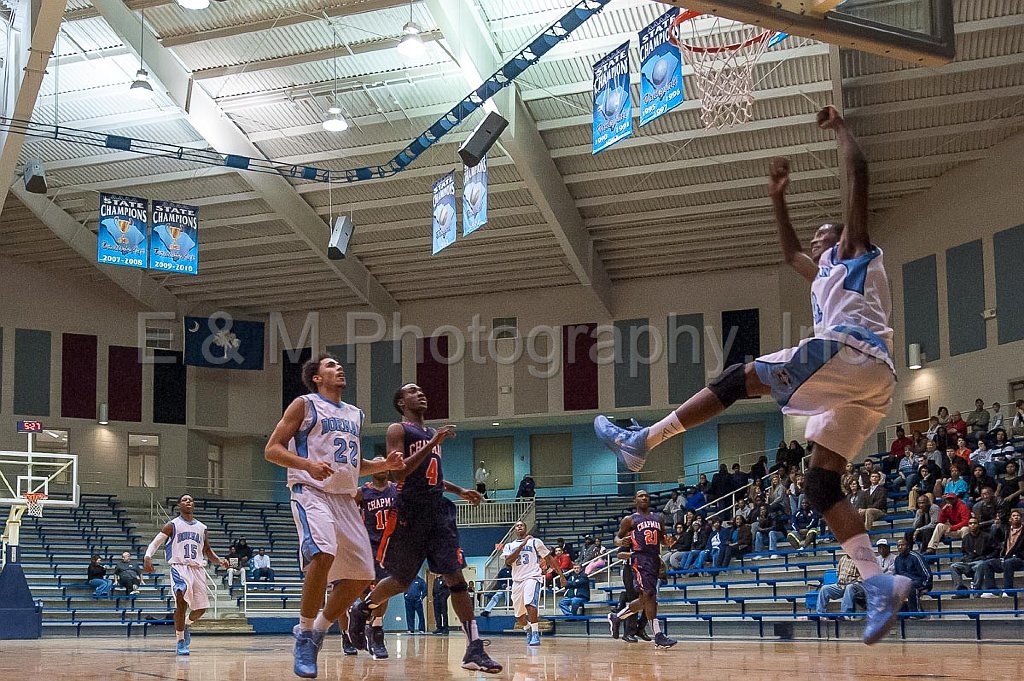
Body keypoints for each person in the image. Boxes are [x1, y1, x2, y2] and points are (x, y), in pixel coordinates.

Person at [595, 107, 910, 644]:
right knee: (819, 484)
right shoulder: (822, 273)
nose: (816, 241)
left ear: (843, 237)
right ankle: (880, 582)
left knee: (742, 377)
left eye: (824, 234)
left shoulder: (855, 252)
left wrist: (840, 132)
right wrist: (777, 195)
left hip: (855, 354)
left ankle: (644, 439)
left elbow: (858, 177)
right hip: (865, 384)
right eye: (816, 238)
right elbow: (790, 252)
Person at [264, 353, 405, 676]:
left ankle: (318, 630)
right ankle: (303, 632)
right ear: (316, 377)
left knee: (362, 575)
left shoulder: (355, 414)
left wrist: (383, 465)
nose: (338, 368)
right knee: (323, 553)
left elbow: (353, 466)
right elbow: (272, 449)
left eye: (339, 365)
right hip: (310, 491)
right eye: (330, 365)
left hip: (344, 497)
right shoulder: (304, 404)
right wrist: (307, 464)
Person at [347, 382, 499, 673]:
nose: (421, 393)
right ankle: (363, 607)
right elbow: (398, 471)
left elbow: (432, 477)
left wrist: (459, 490)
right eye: (413, 391)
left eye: (421, 390)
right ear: (402, 402)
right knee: (402, 581)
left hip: (437, 510)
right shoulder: (398, 430)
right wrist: (432, 443)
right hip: (410, 510)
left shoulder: (432, 434)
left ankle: (474, 648)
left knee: (456, 577)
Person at [143, 493, 229, 656]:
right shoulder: (172, 525)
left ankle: (186, 624)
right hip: (179, 567)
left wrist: (219, 561)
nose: (188, 501)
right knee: (181, 598)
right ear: (179, 505)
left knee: (201, 609)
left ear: (193, 505)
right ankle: (180, 641)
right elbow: (155, 543)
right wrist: (147, 557)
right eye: (184, 500)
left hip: (197, 569)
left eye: (191, 499)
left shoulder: (202, 528)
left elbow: (208, 551)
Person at [607, 490, 677, 648]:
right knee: (649, 595)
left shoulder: (658, 518)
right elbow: (617, 538)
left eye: (646, 495)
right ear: (635, 500)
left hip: (654, 558)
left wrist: (668, 542)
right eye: (640, 495)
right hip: (639, 559)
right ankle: (658, 635)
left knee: (649, 599)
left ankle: (617, 617)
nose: (644, 497)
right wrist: (620, 542)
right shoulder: (630, 520)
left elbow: (663, 540)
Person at [502, 521, 564, 646]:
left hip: (532, 576)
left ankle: (535, 633)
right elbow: (509, 561)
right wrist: (523, 544)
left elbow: (549, 558)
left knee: (530, 604)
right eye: (517, 526)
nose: (519, 527)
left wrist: (561, 575)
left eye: (522, 525)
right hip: (517, 580)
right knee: (519, 616)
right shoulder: (509, 545)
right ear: (514, 530)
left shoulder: (535, 542)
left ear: (526, 528)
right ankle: (527, 628)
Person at [975, 509, 1024, 596]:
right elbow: (996, 542)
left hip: (1020, 559)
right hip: (1006, 558)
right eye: (1014, 516)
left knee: (1009, 563)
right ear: (1010, 519)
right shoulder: (1007, 531)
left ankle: (1008, 591)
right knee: (987, 564)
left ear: (1021, 518)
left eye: (1018, 516)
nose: (1016, 517)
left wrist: (1015, 555)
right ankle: (992, 590)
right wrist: (997, 528)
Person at [949, 516, 998, 596]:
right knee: (953, 566)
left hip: (981, 561)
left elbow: (996, 549)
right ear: (968, 525)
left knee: (981, 565)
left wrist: (987, 558)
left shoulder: (987, 536)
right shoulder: (965, 538)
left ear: (978, 525)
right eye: (970, 523)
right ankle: (961, 591)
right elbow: (964, 552)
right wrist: (965, 559)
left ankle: (977, 590)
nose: (972, 525)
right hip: (968, 562)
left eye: (974, 523)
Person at [815, 553, 864, 617]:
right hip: (840, 585)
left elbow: (862, 576)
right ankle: (820, 614)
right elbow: (838, 572)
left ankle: (845, 615)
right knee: (824, 588)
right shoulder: (843, 558)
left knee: (849, 587)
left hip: (855, 586)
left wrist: (854, 582)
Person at [894, 538, 931, 614]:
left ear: (908, 546)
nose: (900, 547)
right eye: (898, 546)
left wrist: (925, 585)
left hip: (919, 581)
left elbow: (926, 573)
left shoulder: (916, 557)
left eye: (902, 545)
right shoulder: (897, 559)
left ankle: (917, 613)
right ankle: (901, 613)